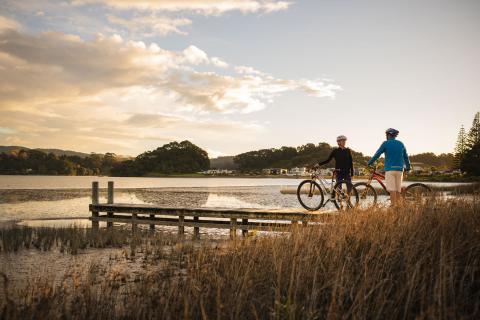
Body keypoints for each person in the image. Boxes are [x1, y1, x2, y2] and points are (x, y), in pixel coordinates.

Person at [367, 128, 411, 206]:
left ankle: (394, 207)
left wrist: (369, 163)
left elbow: (377, 154)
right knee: (398, 190)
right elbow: (406, 157)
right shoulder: (401, 144)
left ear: (388, 135)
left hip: (390, 170)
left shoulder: (385, 143)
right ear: (394, 136)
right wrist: (408, 167)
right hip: (400, 170)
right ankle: (398, 207)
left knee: (392, 190)